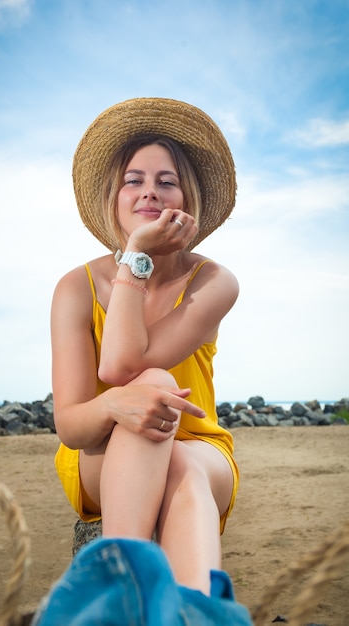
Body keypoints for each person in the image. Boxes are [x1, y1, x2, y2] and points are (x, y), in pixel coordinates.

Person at [51, 97, 239, 597]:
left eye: (166, 181)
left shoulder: (213, 282)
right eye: (134, 180)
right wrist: (114, 405)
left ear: (186, 198)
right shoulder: (76, 288)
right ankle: (196, 607)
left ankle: (124, 594)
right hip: (99, 448)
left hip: (199, 445)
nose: (149, 192)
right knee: (153, 394)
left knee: (177, 452)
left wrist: (134, 256)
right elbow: (72, 425)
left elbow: (120, 364)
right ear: (115, 195)